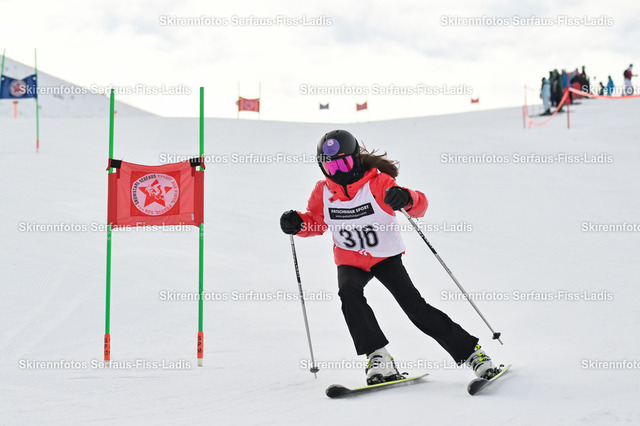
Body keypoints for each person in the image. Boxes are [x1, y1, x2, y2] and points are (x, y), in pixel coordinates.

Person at [279, 129, 500, 385]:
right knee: (349, 293)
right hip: (350, 259)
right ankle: (378, 357)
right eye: (331, 166)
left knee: (414, 308)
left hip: (384, 257)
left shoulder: (378, 182)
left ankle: (473, 354)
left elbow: (419, 206)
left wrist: (406, 198)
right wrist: (298, 224)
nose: (338, 171)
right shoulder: (323, 191)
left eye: (344, 164)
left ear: (355, 160)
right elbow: (317, 222)